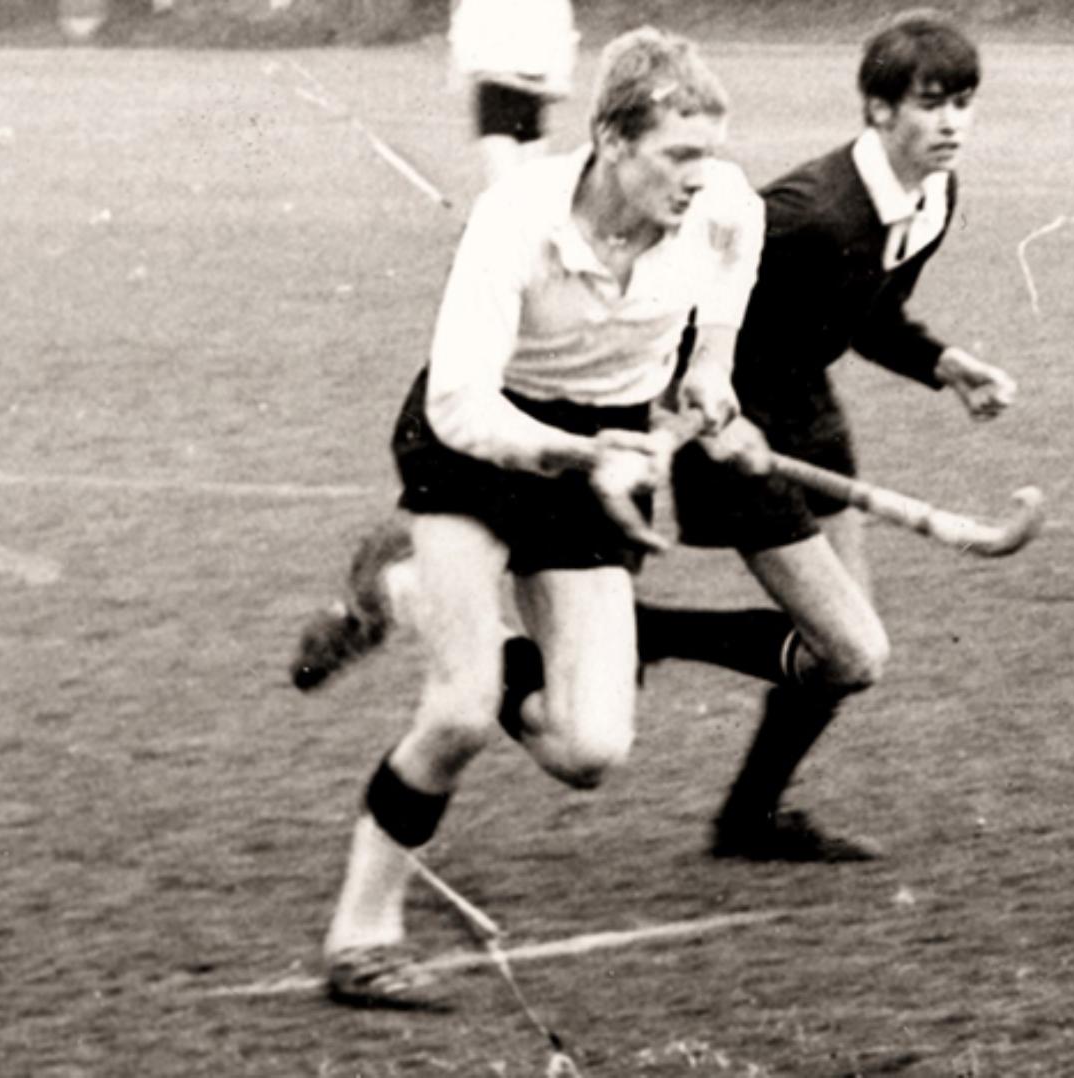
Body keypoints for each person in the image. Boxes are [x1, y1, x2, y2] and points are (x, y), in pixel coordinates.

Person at [292, 9, 1015, 866]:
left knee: (843, 658)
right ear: (879, 108)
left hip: (793, 411)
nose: (950, 123)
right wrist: (711, 405)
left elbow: (842, 305)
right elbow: (667, 314)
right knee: (847, 649)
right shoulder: (810, 215)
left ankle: (731, 783)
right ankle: (657, 710)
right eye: (932, 103)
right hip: (700, 420)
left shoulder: (922, 198)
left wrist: (939, 363)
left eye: (962, 104)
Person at [318, 27, 762, 1010]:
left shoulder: (722, 205)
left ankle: (400, 589)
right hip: (480, 447)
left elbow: (736, 252)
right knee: (460, 710)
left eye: (709, 153)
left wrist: (710, 369)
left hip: (604, 450)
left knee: (590, 749)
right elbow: (458, 407)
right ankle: (361, 934)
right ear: (609, 140)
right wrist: (582, 454)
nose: (701, 178)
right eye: (677, 155)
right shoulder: (514, 220)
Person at [448, 0, 578, 185]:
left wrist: (560, 78)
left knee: (532, 179)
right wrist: (466, 65)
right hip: (495, 89)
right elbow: (464, 30)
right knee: (504, 181)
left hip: (533, 91)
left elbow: (562, 34)